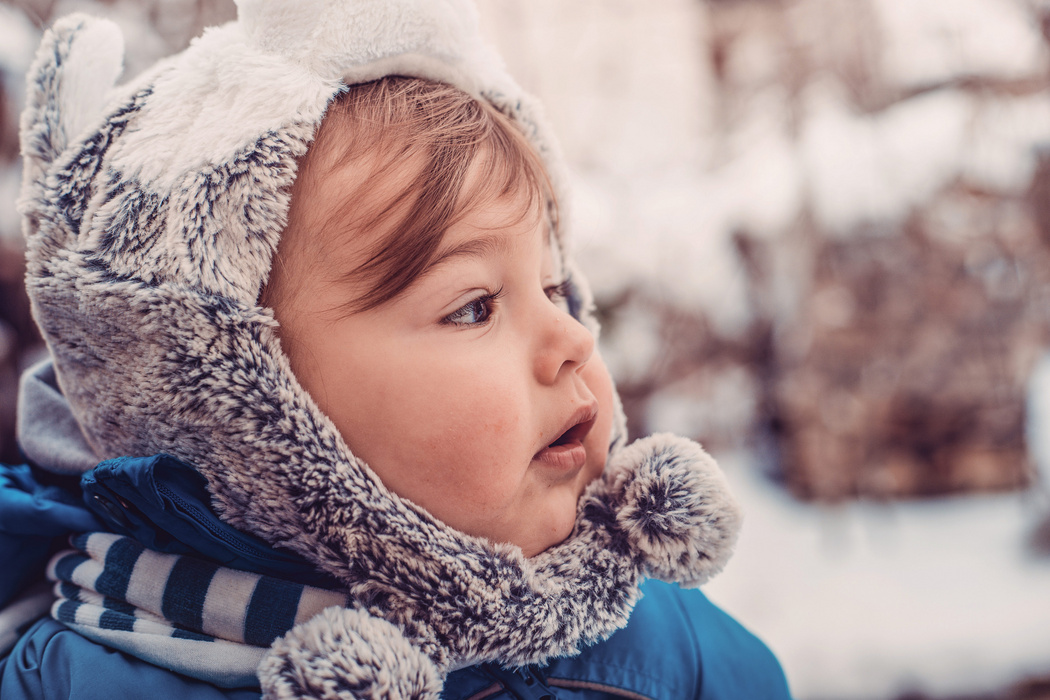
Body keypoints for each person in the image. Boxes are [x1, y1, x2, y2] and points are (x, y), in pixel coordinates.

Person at [0, 1, 792, 698]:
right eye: (474, 307)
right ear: (248, 417)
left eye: (554, 289)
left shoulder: (656, 649)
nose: (574, 339)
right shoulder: (76, 677)